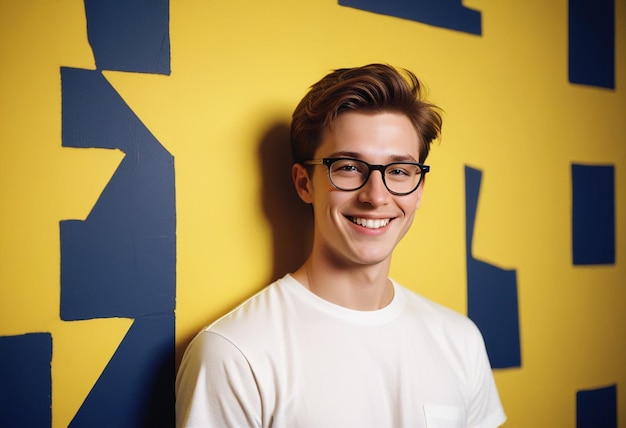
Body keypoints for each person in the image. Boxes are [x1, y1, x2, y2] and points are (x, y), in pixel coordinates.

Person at [176, 64, 506, 427]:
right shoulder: (236, 353)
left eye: (398, 171)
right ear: (304, 183)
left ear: (419, 189)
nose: (376, 196)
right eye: (349, 167)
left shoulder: (460, 340)